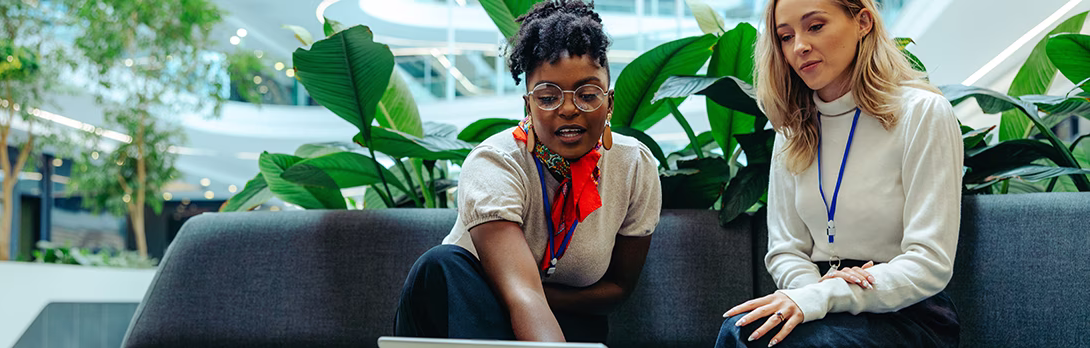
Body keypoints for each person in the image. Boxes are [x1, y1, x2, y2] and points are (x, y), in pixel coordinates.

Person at [393, 0, 662, 342]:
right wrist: (508, 294)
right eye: (548, 97)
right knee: (440, 264)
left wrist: (550, 301)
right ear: (528, 105)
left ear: (608, 103)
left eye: (587, 94)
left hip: (568, 321)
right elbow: (522, 293)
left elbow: (618, 288)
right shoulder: (496, 161)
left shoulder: (634, 166)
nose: (568, 109)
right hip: (463, 318)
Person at [716, 0, 964, 347]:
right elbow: (786, 249)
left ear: (863, 22)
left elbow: (930, 262)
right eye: (785, 36)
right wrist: (815, 293)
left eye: (815, 27)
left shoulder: (923, 113)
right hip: (816, 297)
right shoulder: (792, 130)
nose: (799, 46)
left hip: (907, 312)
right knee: (739, 330)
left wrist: (829, 294)